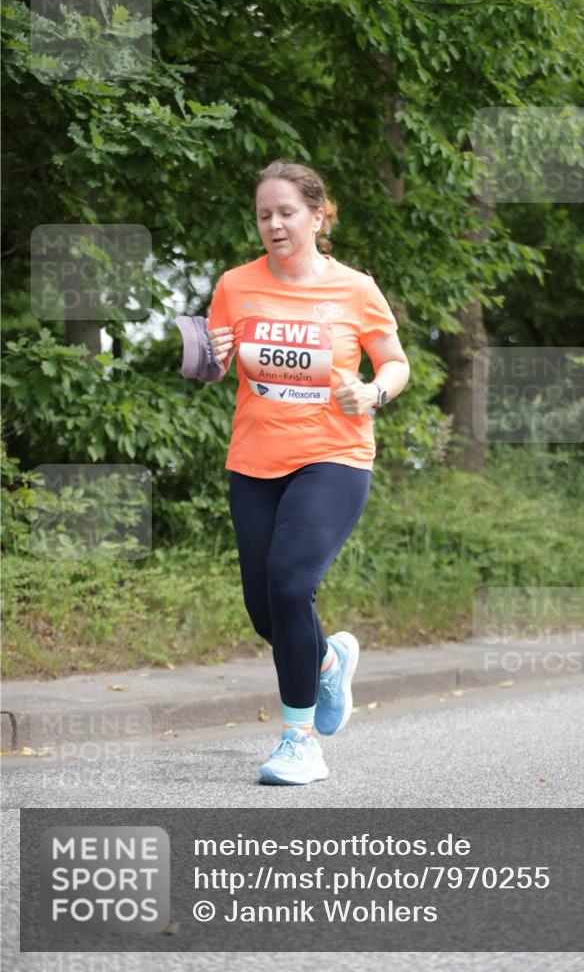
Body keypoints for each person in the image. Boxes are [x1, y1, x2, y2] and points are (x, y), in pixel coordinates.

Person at [206, 160, 410, 785]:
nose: (274, 224)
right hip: (254, 461)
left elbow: (396, 363)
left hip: (334, 456)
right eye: (264, 214)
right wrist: (209, 360)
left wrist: (374, 394)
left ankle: (299, 743)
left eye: (287, 212)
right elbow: (217, 364)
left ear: (318, 217)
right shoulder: (235, 286)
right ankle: (325, 663)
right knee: (266, 611)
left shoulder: (355, 288)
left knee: (291, 586)